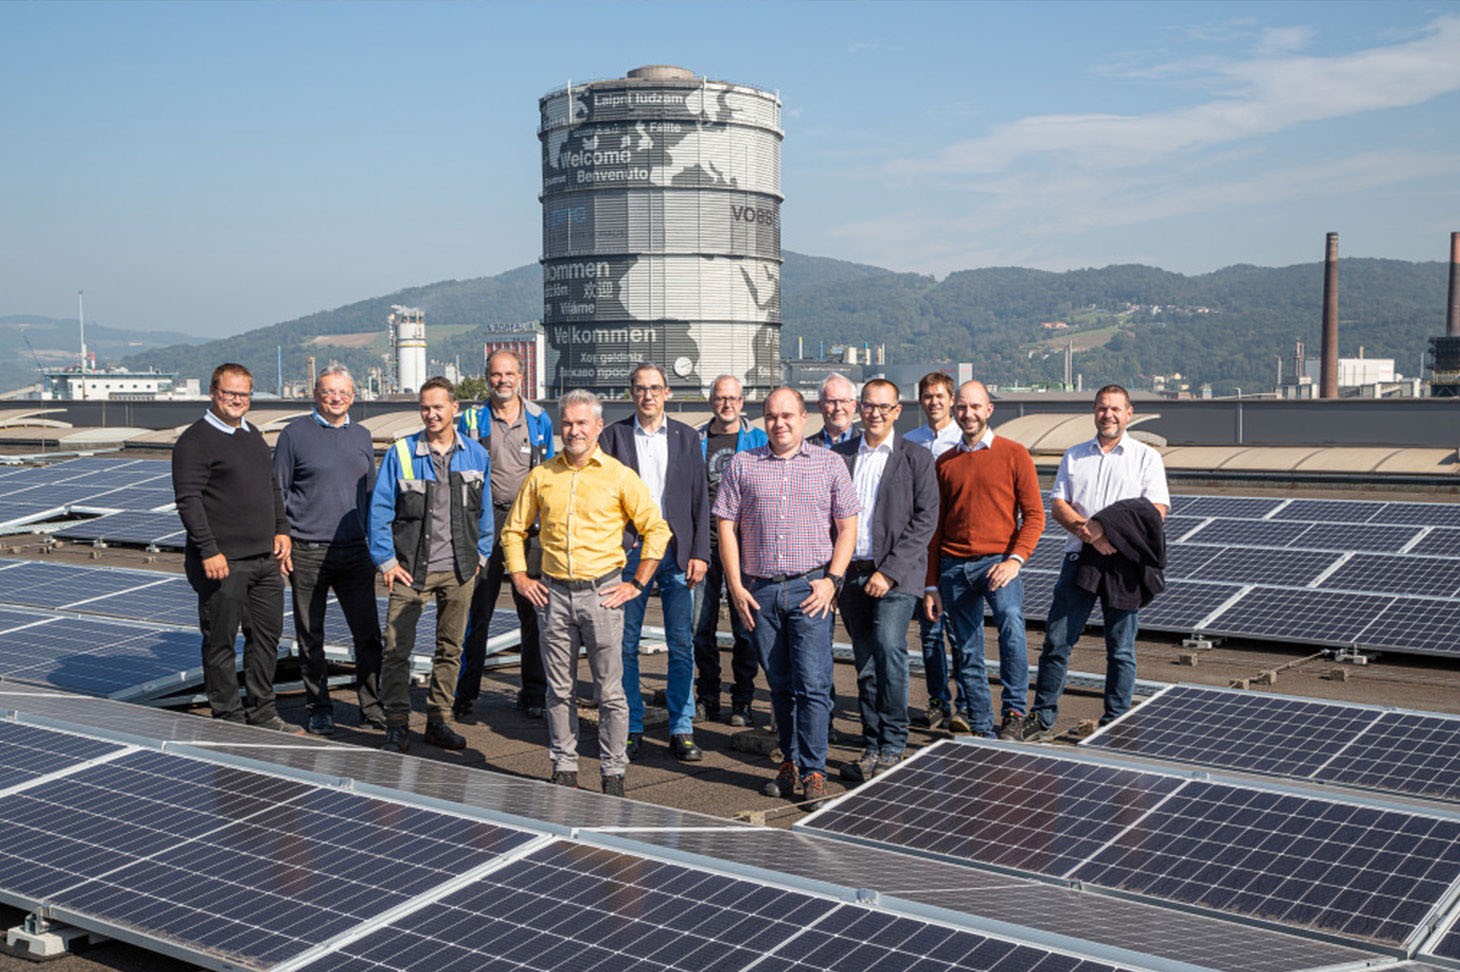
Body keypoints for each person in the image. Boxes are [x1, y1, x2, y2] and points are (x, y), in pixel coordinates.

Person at [501, 389, 671, 796]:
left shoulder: (618, 475)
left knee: (610, 692)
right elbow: (513, 530)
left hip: (603, 595)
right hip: (554, 596)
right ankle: (564, 766)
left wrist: (636, 583)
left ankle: (614, 771)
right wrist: (521, 578)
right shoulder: (543, 475)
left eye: (582, 423)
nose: (574, 431)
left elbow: (656, 528)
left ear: (598, 426)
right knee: (558, 690)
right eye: (568, 424)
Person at [715, 388, 859, 805]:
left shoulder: (829, 463)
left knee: (813, 684)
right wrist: (736, 584)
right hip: (759, 591)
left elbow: (847, 526)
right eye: (772, 416)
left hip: (809, 588)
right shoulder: (744, 464)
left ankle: (815, 770)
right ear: (763, 420)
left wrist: (833, 580)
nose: (780, 423)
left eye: (788, 416)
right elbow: (726, 525)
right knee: (779, 684)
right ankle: (790, 761)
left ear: (804, 417)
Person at [1026, 385, 1169, 740]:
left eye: (1116, 409)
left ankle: (1116, 722)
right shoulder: (1074, 456)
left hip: (1125, 566)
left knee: (1121, 649)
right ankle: (1043, 717)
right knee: (1057, 641)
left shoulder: (1146, 457)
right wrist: (1093, 536)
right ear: (1094, 410)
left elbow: (1156, 513)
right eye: (1103, 408)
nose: (1109, 415)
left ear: (1129, 413)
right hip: (1081, 559)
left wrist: (1112, 534)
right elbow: (1059, 505)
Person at [368, 377, 494, 754]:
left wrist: (480, 557)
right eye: (425, 407)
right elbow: (379, 511)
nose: (431, 414)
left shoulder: (476, 454)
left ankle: (439, 721)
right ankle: (396, 723)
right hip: (411, 568)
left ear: (454, 408)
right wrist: (386, 561)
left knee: (450, 649)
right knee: (396, 648)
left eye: (438, 407)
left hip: (459, 570)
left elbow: (485, 514)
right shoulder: (402, 453)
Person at [599, 363, 711, 762]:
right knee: (625, 643)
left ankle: (682, 727)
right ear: (631, 393)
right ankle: (631, 725)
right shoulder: (613, 436)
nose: (648, 395)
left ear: (667, 393)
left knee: (682, 644)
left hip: (678, 554)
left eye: (655, 388)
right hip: (631, 554)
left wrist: (701, 552)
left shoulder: (685, 437)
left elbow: (701, 500)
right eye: (641, 388)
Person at [172, 362, 292, 729]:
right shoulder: (194, 441)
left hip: (263, 559)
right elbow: (189, 500)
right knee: (221, 642)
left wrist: (281, 528)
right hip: (223, 562)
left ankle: (262, 711)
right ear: (213, 393)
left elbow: (270, 486)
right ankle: (227, 716)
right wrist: (209, 550)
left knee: (266, 638)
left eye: (244, 394)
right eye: (229, 393)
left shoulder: (252, 434)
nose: (237, 400)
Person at [923, 381, 1045, 741]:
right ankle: (979, 722)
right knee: (966, 647)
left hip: (999, 562)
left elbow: (1035, 515)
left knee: (1010, 627)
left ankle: (1014, 713)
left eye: (975, 407)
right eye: (961, 407)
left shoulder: (1014, 453)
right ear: (954, 410)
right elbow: (936, 527)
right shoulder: (944, 463)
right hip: (954, 566)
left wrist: (1015, 561)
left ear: (989, 409)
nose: (968, 414)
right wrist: (931, 583)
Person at [831, 379, 937, 782]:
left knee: (889, 648)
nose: (875, 413)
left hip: (896, 576)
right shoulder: (838, 456)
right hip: (851, 574)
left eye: (884, 407)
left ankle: (894, 742)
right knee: (865, 662)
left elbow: (925, 519)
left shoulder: (915, 457)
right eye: (869, 406)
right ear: (860, 409)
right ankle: (871, 744)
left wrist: (888, 572)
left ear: (897, 411)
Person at [273, 365, 386, 735]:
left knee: (368, 634)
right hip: (308, 550)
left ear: (353, 395)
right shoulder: (293, 435)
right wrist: (283, 537)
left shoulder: (363, 436)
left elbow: (371, 495)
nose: (335, 398)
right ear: (315, 394)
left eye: (342, 392)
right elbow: (279, 491)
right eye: (327, 391)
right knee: (310, 635)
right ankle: (318, 706)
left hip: (355, 551)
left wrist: (378, 547)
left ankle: (371, 707)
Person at [452, 350, 555, 723]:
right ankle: (464, 693)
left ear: (521, 376)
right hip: (485, 521)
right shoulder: (471, 419)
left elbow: (550, 473)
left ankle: (534, 693)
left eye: (509, 373)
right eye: (496, 374)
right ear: (486, 378)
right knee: (477, 610)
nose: (503, 380)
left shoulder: (540, 419)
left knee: (534, 611)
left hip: (529, 524)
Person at [693, 374, 767, 727]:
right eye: (721, 398)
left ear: (742, 403)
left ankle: (743, 698)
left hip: (745, 546)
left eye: (733, 398)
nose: (727, 404)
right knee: (700, 626)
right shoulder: (696, 441)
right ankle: (708, 695)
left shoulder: (758, 441)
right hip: (704, 545)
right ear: (711, 402)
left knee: (744, 626)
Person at [903, 371, 962, 731]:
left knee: (959, 632)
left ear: (951, 400)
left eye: (940, 395)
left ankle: (968, 702)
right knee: (929, 632)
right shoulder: (909, 441)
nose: (934, 401)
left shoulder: (964, 440)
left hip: (953, 547)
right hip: (919, 549)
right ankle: (939, 699)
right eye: (927, 396)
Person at [808, 372, 858, 449]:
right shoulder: (805, 448)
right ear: (820, 406)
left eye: (844, 401)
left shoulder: (868, 444)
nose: (838, 408)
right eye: (831, 402)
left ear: (854, 405)